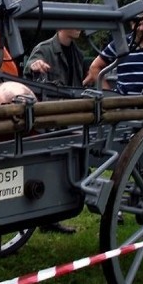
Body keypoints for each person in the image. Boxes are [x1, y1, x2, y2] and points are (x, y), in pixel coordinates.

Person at [23, 29, 84, 234]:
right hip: (49, 122)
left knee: (62, 170)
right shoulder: (44, 49)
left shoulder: (78, 54)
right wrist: (34, 66)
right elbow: (30, 68)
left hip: (71, 120)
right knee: (49, 170)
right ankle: (48, 218)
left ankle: (52, 218)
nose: (79, 28)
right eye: (75, 23)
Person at [83, 10, 143, 94]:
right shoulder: (120, 43)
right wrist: (108, 94)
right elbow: (95, 67)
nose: (141, 28)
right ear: (131, 24)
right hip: (125, 107)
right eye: (137, 24)